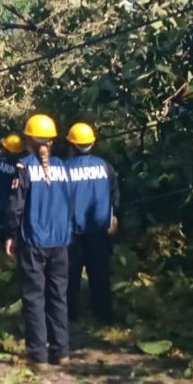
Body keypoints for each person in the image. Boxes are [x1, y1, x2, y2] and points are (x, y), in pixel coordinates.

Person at [6, 114, 72, 369]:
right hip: (60, 240)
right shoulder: (63, 167)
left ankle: (38, 356)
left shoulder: (23, 167)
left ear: (29, 141)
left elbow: (16, 207)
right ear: (52, 141)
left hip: (34, 240)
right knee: (58, 296)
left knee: (34, 297)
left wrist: (11, 234)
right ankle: (61, 351)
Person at [65, 122, 119, 325]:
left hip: (73, 233)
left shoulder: (64, 169)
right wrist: (114, 217)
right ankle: (103, 316)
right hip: (100, 230)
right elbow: (115, 194)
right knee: (100, 275)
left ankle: (71, 316)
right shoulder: (105, 166)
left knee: (70, 277)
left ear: (71, 145)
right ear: (92, 144)